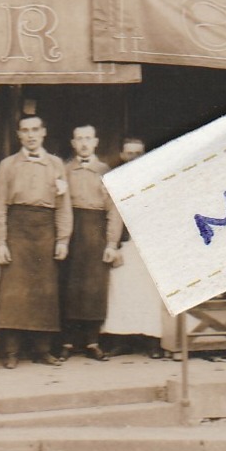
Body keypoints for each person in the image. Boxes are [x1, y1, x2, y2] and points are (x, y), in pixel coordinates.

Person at [0, 115, 72, 368]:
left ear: (44, 132)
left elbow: (64, 205)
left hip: (45, 230)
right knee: (12, 293)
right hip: (17, 229)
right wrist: (0, 242)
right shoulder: (8, 165)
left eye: (35, 130)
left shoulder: (56, 164)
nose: (31, 135)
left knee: (45, 292)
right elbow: (0, 205)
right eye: (25, 131)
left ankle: (42, 350)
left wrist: (63, 239)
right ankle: (11, 352)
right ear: (19, 135)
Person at [59, 125, 123, 361]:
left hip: (96, 231)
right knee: (70, 287)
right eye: (79, 139)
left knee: (95, 288)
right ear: (73, 143)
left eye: (88, 139)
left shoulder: (105, 171)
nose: (84, 143)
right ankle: (67, 342)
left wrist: (111, 243)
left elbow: (113, 210)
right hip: (72, 229)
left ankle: (92, 342)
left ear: (95, 142)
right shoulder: (64, 170)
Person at [103, 137, 168, 356]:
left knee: (149, 294)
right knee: (121, 292)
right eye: (129, 153)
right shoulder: (114, 180)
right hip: (125, 243)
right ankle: (121, 341)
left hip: (149, 245)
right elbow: (112, 215)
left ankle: (151, 342)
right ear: (122, 155)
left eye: (137, 153)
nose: (133, 158)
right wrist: (113, 244)